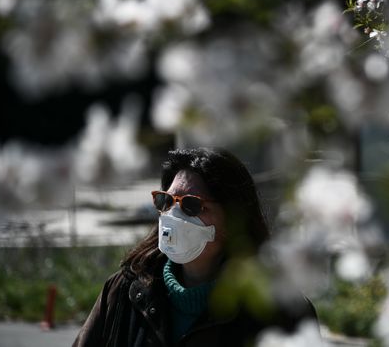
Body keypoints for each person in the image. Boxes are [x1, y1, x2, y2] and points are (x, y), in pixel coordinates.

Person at [74, 147, 318, 347]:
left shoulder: (279, 309)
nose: (173, 214)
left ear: (234, 219)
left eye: (192, 205)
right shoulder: (123, 291)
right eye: (165, 201)